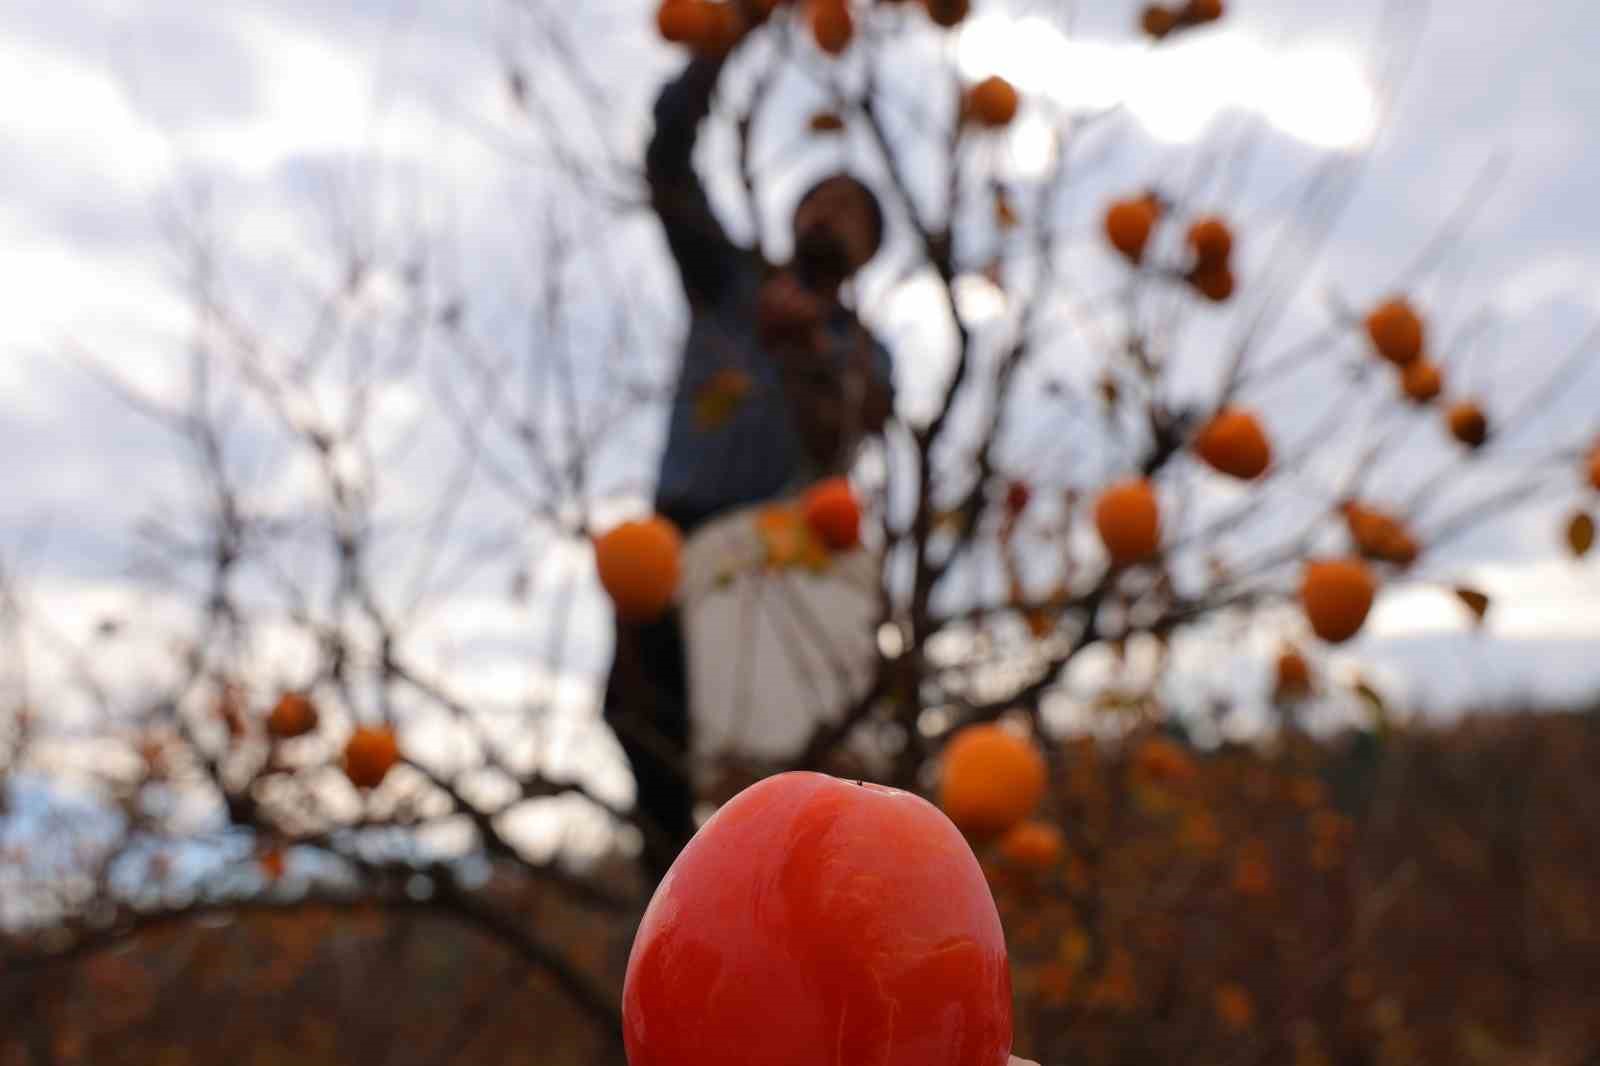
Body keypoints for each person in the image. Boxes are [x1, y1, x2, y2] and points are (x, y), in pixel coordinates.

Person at [605, 49, 894, 882]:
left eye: (854, 214)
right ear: (794, 214)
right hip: (672, 533)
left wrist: (806, 354)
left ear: (867, 250)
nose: (831, 217)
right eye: (821, 200)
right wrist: (725, 41)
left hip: (777, 555)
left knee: (770, 743)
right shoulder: (729, 281)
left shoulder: (861, 350)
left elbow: (854, 432)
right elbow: (667, 162)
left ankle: (774, 878)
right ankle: (673, 892)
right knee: (635, 712)